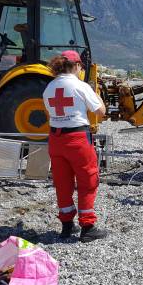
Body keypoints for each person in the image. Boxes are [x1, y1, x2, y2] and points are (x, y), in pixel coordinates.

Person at [43, 50, 108, 242]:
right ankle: (87, 227)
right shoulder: (81, 86)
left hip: (55, 140)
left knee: (63, 183)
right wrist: (96, 94)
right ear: (77, 66)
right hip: (77, 138)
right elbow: (101, 112)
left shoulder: (49, 88)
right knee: (88, 180)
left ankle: (66, 225)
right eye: (81, 67)